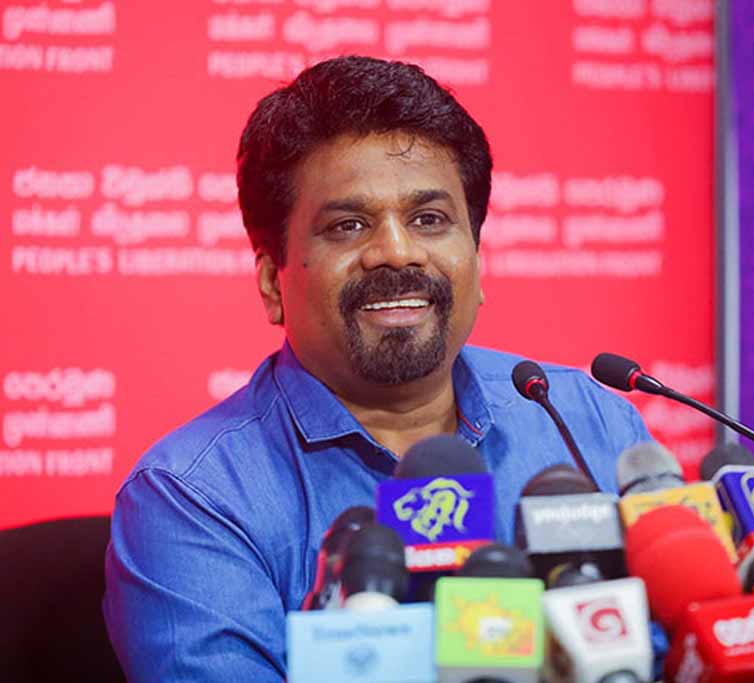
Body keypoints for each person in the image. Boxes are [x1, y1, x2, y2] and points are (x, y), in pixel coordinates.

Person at [103, 55, 652, 681]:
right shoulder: (194, 498)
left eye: (429, 220)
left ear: (477, 260)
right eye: (348, 225)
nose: (396, 251)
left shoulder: (588, 423)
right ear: (273, 282)